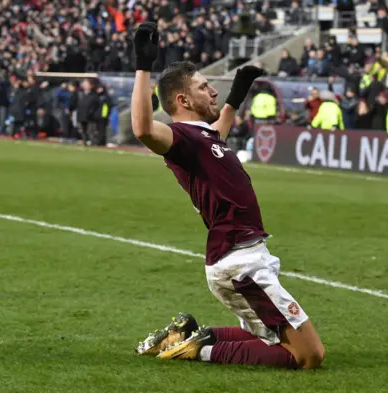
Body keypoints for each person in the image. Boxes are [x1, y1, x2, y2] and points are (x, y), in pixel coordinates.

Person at [130, 22, 324, 370]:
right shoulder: (180, 140)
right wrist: (143, 66)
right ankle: (199, 350)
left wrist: (238, 93)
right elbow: (143, 129)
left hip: (245, 253)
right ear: (183, 100)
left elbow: (221, 127)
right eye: (205, 87)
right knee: (309, 355)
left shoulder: (204, 136)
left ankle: (189, 334)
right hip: (239, 261)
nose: (213, 92)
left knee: (267, 337)